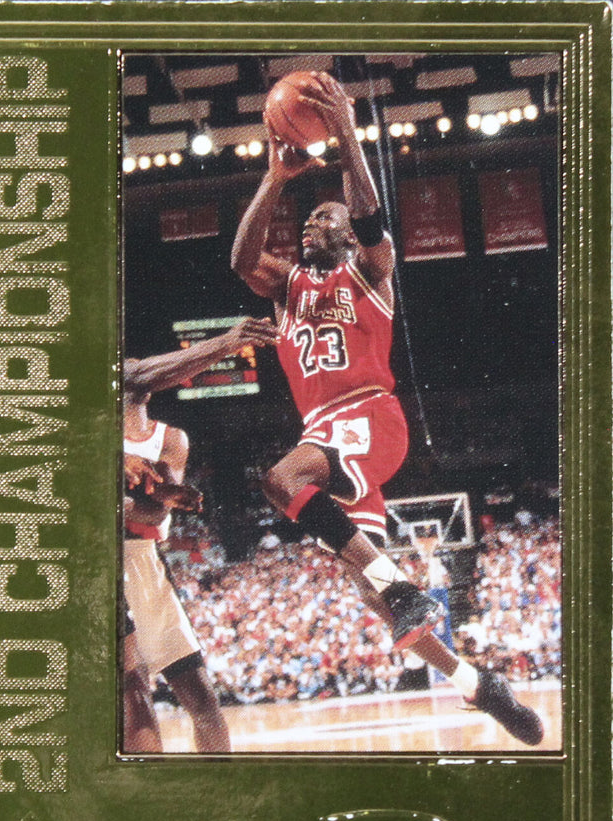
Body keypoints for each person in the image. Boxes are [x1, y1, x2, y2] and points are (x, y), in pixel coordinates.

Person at [231, 71, 543, 745]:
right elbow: (241, 259)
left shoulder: (369, 272)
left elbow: (370, 217)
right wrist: (273, 178)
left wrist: (347, 133)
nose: (312, 223)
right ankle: (476, 683)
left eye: (325, 217)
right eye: (309, 218)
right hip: (326, 434)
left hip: (370, 418)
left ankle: (402, 590)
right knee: (370, 590)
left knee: (281, 479)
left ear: (348, 235)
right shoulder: (288, 288)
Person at [120, 316, 279, 754]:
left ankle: (217, 782)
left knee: (203, 700)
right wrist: (227, 342)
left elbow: (154, 513)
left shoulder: (172, 438)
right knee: (134, 692)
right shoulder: (94, 434)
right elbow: (153, 504)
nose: (136, 367)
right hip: (111, 560)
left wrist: (136, 498)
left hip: (148, 563)